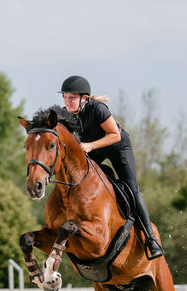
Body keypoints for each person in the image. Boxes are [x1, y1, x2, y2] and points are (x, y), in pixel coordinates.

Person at [59, 75, 164, 260]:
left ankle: (150, 238)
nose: (67, 102)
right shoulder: (65, 115)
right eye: (65, 97)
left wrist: (90, 146)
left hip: (117, 147)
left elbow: (114, 135)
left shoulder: (98, 109)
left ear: (84, 98)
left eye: (72, 98)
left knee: (132, 188)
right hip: (93, 151)